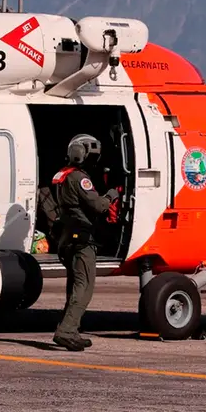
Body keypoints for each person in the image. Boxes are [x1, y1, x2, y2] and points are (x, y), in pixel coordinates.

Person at [51, 133, 120, 352]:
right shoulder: (80, 178)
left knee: (74, 286)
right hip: (81, 238)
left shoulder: (62, 175)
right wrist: (111, 195)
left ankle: (70, 328)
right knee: (84, 287)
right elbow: (98, 206)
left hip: (67, 237)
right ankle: (67, 331)